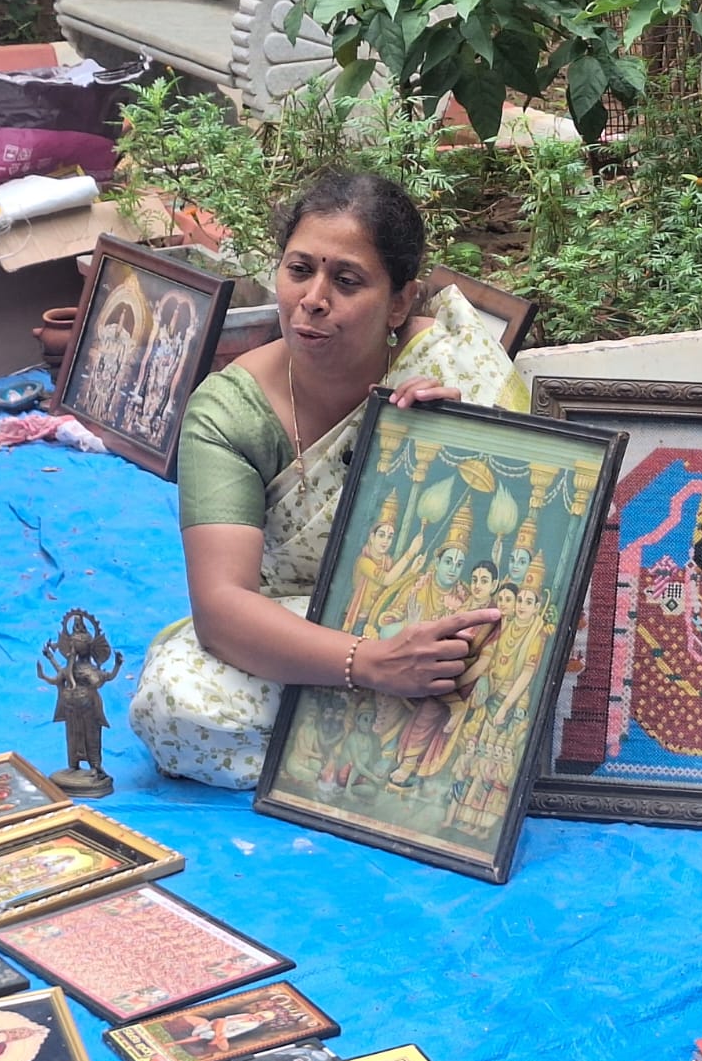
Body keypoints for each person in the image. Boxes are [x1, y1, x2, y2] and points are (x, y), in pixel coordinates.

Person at [129, 172, 529, 789]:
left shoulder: (452, 365)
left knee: (540, 675)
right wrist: (370, 664)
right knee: (176, 699)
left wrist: (462, 436)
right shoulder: (229, 412)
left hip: (446, 627)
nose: (313, 299)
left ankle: (354, 753)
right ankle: (422, 758)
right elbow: (222, 608)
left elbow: (534, 557)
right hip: (305, 631)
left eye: (347, 281)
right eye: (299, 270)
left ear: (399, 301)